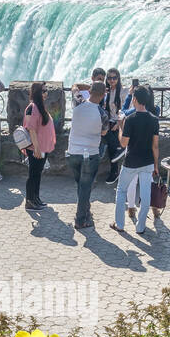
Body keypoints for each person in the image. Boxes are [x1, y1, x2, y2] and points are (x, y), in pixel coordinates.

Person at [112, 86, 159, 234]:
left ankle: (119, 224)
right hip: (148, 162)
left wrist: (120, 127)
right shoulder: (154, 119)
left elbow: (124, 143)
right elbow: (155, 145)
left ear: (135, 99)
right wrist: (156, 165)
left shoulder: (130, 119)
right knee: (145, 195)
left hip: (131, 161)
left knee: (121, 191)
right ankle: (141, 227)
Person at [67, 80, 105, 230]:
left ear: (89, 92)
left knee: (81, 185)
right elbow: (104, 132)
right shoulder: (103, 114)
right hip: (90, 154)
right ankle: (81, 219)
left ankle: (85, 211)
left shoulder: (78, 102)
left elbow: (74, 86)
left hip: (73, 152)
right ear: (103, 96)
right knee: (85, 187)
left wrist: (86, 87)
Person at [21, 81, 55, 210]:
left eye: (47, 91)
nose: (46, 93)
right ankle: (30, 201)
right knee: (33, 174)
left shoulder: (39, 106)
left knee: (38, 173)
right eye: (43, 91)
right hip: (36, 148)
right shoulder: (32, 108)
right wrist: (36, 148)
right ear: (36, 93)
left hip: (42, 147)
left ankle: (36, 198)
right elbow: (31, 129)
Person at [101, 68, 125, 184]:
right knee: (111, 145)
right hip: (109, 122)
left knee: (112, 145)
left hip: (120, 122)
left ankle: (114, 171)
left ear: (118, 78)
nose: (112, 80)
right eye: (109, 78)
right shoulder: (107, 92)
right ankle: (114, 170)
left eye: (114, 78)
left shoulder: (123, 91)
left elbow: (126, 109)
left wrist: (118, 123)